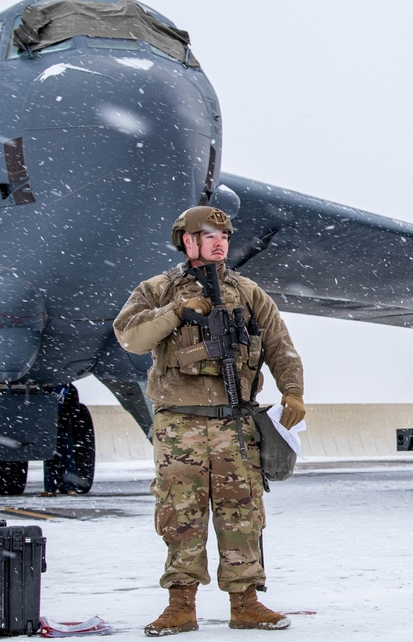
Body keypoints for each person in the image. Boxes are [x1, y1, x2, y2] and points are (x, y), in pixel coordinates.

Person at [113, 206, 306, 636]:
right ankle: (180, 605)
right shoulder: (158, 289)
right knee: (180, 513)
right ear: (187, 240)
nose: (220, 242)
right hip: (179, 424)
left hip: (234, 422)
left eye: (225, 235)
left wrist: (293, 391)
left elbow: (280, 345)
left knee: (243, 513)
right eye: (209, 235)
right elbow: (131, 336)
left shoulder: (249, 291)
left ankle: (246, 602)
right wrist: (178, 311)